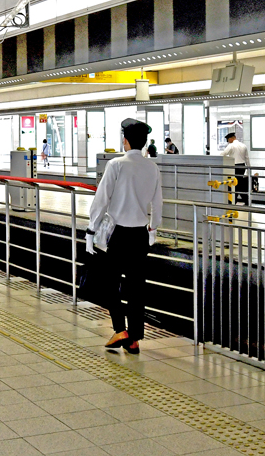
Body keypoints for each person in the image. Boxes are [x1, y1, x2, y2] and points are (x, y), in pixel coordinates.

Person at [87, 118, 163, 355]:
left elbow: (102, 199)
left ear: (126, 141)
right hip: (140, 235)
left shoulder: (116, 165)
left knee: (110, 283)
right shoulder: (153, 167)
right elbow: (158, 204)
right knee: (136, 288)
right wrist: (153, 229)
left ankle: (120, 329)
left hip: (117, 234)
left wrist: (91, 229)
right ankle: (134, 340)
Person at [221, 132, 250, 205]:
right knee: (239, 183)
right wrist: (249, 169)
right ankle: (244, 200)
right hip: (242, 167)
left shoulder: (231, 145)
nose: (228, 142)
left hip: (234, 167)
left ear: (231, 138)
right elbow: (247, 158)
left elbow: (223, 154)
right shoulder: (243, 145)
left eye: (228, 140)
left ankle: (234, 200)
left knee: (234, 183)